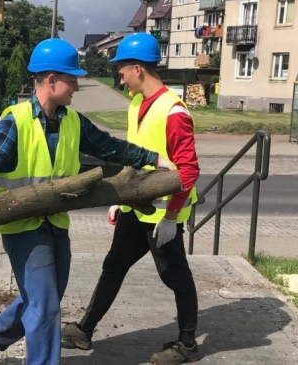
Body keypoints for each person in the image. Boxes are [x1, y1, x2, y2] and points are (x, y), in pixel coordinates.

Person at [0, 38, 174, 365]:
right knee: (46, 308)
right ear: (51, 81)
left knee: (43, 299)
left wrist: (152, 158)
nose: (77, 87)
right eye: (72, 79)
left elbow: (111, 148)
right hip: (21, 227)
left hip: (55, 224)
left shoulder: (72, 121)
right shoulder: (16, 121)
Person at [61, 32, 201, 365]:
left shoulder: (174, 112)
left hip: (162, 214)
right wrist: (118, 196)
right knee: (113, 266)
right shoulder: (137, 104)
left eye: (121, 69)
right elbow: (135, 156)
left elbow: (189, 170)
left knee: (175, 276)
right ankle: (84, 329)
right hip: (134, 206)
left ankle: (188, 345)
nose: (119, 76)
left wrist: (170, 218)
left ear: (138, 68)